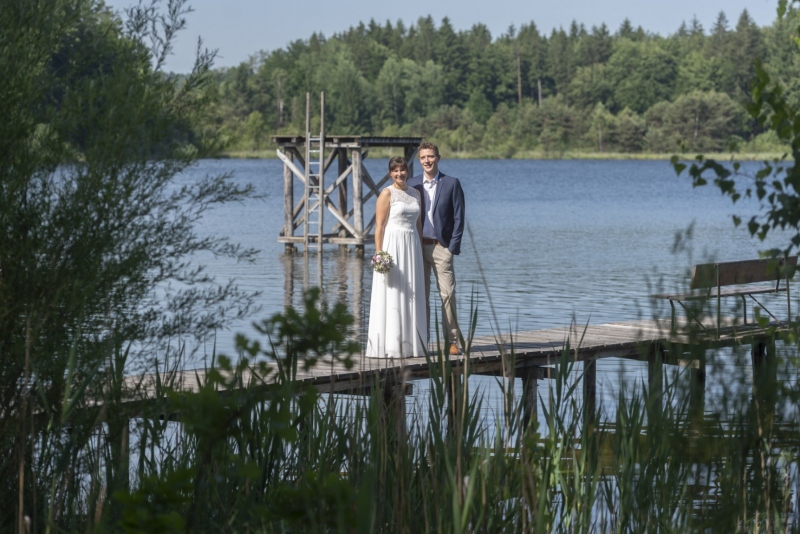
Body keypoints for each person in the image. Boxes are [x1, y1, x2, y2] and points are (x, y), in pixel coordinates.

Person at [366, 157, 428, 358]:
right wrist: (379, 254)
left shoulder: (415, 193)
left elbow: (418, 225)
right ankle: (391, 345)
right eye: (395, 171)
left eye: (402, 170)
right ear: (390, 173)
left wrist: (420, 249)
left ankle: (412, 345)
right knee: (394, 291)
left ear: (407, 171)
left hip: (412, 247)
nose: (399, 174)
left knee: (413, 291)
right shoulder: (386, 193)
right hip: (393, 245)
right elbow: (380, 226)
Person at [408, 142, 465, 356]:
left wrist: (452, 248)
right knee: (420, 296)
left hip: (442, 248)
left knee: (448, 294)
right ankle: (422, 341)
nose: (427, 161)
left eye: (430, 156)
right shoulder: (412, 184)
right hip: (417, 248)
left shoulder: (451, 183)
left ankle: (452, 342)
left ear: (438, 158)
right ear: (419, 160)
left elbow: (459, 218)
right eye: (423, 157)